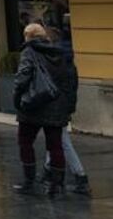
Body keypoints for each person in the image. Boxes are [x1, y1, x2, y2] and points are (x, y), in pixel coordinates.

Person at [12, 23, 79, 197]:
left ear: (28, 36)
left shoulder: (29, 51)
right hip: (56, 105)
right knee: (55, 145)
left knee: (25, 142)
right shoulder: (59, 52)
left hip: (33, 105)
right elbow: (71, 79)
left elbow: (22, 78)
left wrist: (17, 99)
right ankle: (57, 185)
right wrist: (68, 105)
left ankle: (29, 181)